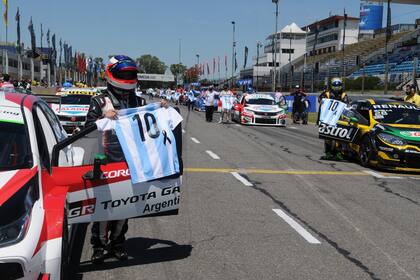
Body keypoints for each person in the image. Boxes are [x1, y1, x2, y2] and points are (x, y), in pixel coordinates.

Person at [85, 55, 146, 264]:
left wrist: (163, 108)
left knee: (125, 206)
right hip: (105, 160)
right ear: (112, 74)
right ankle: (99, 246)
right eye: (124, 74)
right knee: (103, 207)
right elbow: (87, 131)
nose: (128, 78)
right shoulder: (99, 101)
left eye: (131, 74)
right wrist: (105, 118)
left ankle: (118, 243)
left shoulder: (139, 101)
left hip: (131, 162)